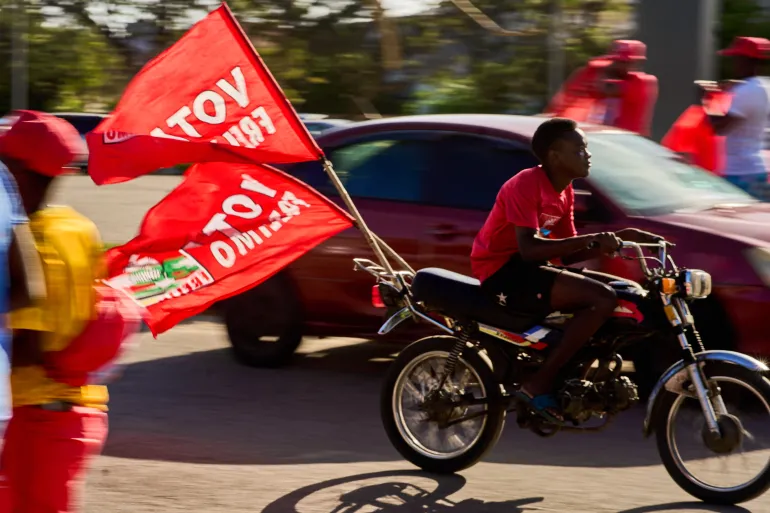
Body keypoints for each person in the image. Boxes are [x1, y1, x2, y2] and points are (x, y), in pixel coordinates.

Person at [470, 117, 661, 423]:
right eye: (580, 149)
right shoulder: (526, 184)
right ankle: (538, 383)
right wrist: (592, 239)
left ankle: (573, 378)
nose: (588, 155)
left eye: (586, 149)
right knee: (602, 298)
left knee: (627, 293)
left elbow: (568, 254)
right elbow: (529, 248)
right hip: (502, 271)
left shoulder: (565, 191)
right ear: (555, 156)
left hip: (531, 268)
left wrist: (622, 237)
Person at [0, 110, 143, 513]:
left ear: (20, 172)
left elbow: (29, 348)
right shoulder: (75, 226)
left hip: (41, 424)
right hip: (72, 415)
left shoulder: (34, 242)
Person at [705, 36, 770, 198]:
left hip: (740, 172)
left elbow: (719, 128)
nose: (733, 63)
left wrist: (708, 100)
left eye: (736, 58)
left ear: (746, 60)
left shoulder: (746, 92)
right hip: (755, 168)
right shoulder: (763, 86)